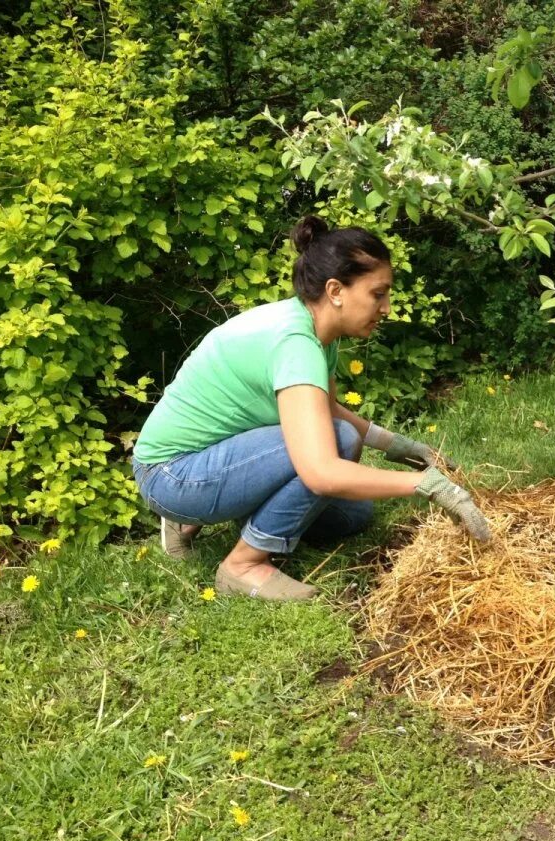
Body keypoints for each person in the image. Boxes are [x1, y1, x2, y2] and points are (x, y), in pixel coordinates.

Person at [130, 216, 491, 601]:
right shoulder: (295, 343)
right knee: (336, 444)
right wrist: (429, 485)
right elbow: (320, 471)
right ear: (336, 290)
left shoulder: (317, 330)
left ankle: (216, 521)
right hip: (172, 474)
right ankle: (242, 565)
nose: (386, 307)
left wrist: (401, 447)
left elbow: (328, 409)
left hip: (217, 461)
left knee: (355, 516)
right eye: (378, 294)